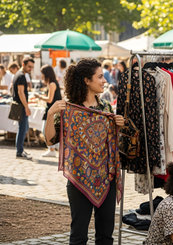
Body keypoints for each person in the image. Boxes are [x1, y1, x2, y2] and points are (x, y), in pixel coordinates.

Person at [44, 58, 125, 244]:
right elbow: (50, 140)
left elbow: (110, 143)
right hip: (79, 180)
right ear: (86, 81)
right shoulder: (68, 110)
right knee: (78, 236)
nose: (104, 81)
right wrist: (50, 114)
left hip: (107, 179)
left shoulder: (105, 108)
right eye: (99, 77)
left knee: (105, 236)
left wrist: (118, 127)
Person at [35, 65, 62, 157]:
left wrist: (39, 97)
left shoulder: (51, 84)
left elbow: (50, 99)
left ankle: (52, 149)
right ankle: (52, 149)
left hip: (52, 109)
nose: (41, 75)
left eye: (42, 73)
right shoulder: (52, 83)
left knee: (45, 129)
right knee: (50, 129)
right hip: (54, 109)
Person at [13, 57, 35, 160]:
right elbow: (20, 92)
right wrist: (26, 107)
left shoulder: (19, 74)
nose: (31, 69)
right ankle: (19, 151)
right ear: (23, 64)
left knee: (24, 128)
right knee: (22, 129)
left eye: (32, 67)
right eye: (29, 66)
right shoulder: (21, 76)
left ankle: (20, 149)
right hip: (21, 106)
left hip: (20, 105)